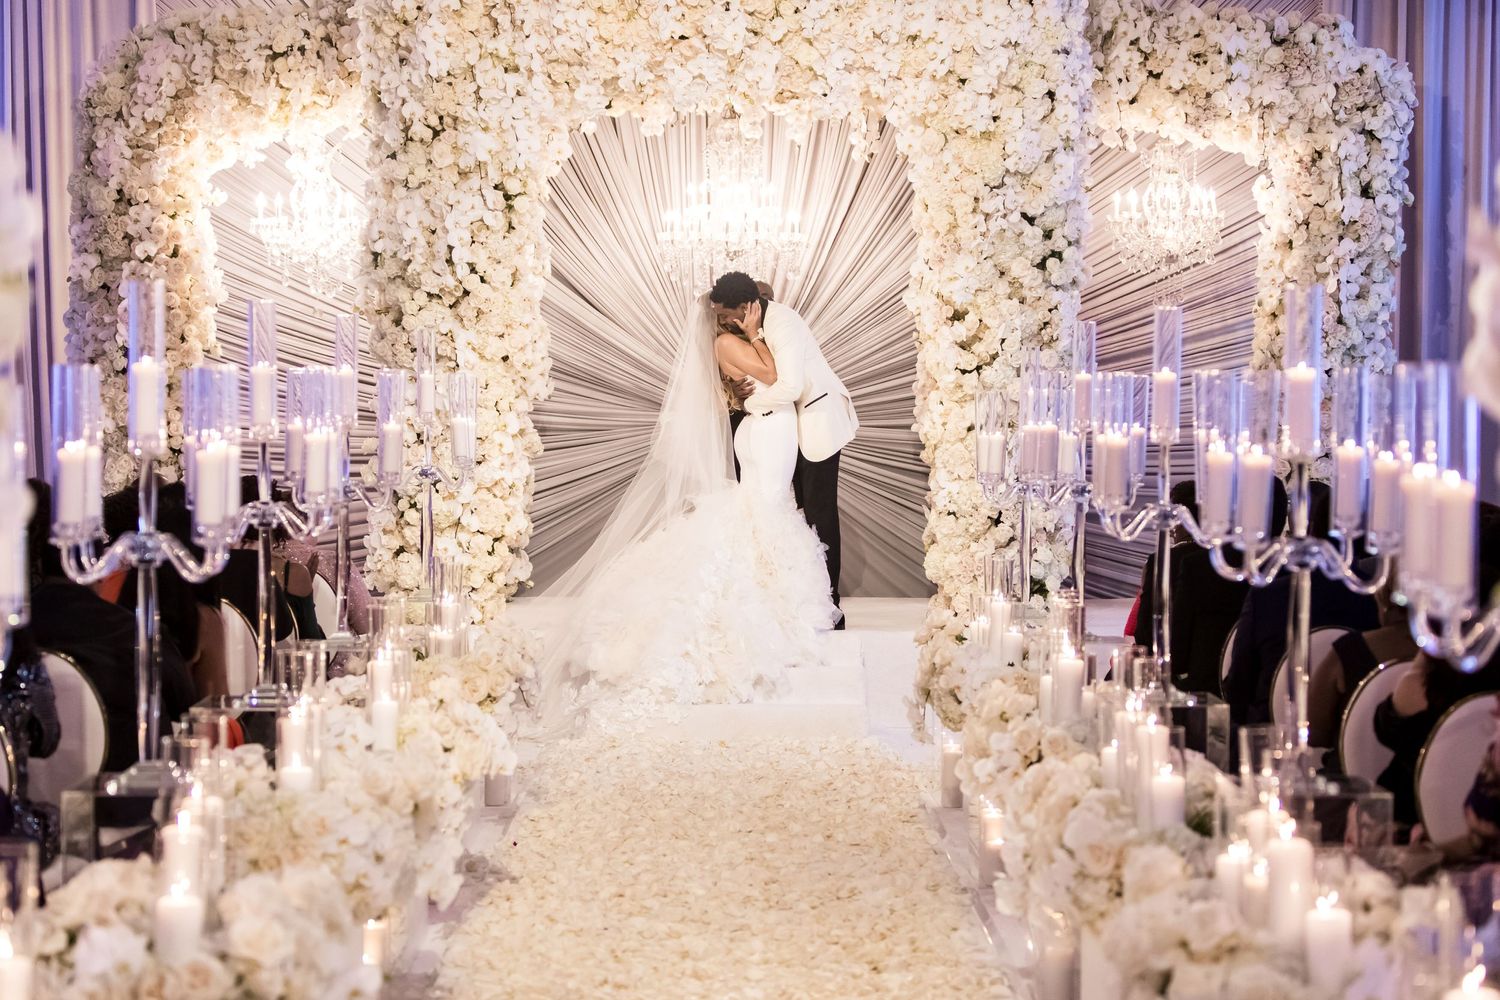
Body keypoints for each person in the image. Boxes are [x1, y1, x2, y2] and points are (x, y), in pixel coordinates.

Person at [532, 285, 845, 727]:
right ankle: (774, 599)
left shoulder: (736, 338)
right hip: (768, 427)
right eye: (741, 311)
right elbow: (775, 375)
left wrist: (751, 354)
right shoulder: (732, 341)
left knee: (762, 507)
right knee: (767, 507)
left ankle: (773, 589)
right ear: (734, 311)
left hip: (767, 428)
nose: (745, 316)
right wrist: (756, 338)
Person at [710, 271, 858, 628]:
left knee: (818, 511)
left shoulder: (783, 323)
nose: (723, 321)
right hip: (781, 427)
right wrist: (736, 390)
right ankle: (783, 596)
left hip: (816, 419)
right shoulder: (741, 332)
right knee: (783, 506)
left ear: (746, 307)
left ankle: (828, 605)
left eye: (726, 314)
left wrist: (750, 406)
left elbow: (788, 386)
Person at [33, 481, 196, 773]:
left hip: (25, 791)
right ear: (98, 560)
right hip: (127, 787)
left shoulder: (13, 634)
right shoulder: (134, 633)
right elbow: (186, 706)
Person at [1223, 481, 1379, 726]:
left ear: (1313, 528)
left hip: (1269, 731)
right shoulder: (1375, 600)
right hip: (1347, 738)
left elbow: (1238, 687)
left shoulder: (1269, 595)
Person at [1131, 480, 1255, 695]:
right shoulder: (1242, 562)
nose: (1170, 528)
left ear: (1184, 519)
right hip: (1240, 683)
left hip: (1187, 685)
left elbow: (1146, 636)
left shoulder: (1168, 562)